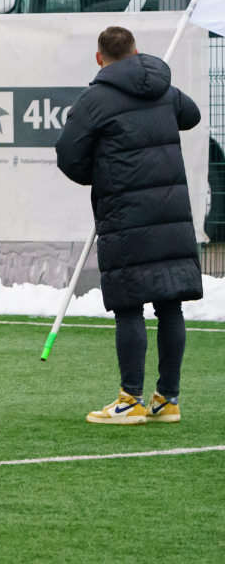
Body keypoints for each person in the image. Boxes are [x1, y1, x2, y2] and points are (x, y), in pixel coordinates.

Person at [55, 26, 202, 425]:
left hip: (125, 215)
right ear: (137, 51)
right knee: (170, 304)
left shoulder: (94, 99)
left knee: (129, 305)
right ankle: (167, 399)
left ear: (99, 58)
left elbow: (68, 155)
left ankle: (130, 400)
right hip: (170, 212)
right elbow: (191, 115)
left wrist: (98, 174)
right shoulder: (164, 89)